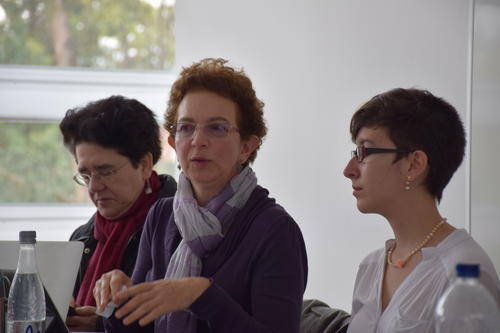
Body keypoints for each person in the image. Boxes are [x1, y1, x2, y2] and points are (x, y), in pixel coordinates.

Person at [92, 58, 308, 333]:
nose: (197, 141)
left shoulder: (275, 230)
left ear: (246, 147)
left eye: (216, 127)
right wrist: (117, 300)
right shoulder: (161, 216)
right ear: (173, 142)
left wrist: (201, 294)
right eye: (186, 127)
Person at [343, 88, 500, 332]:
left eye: (364, 151)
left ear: (414, 164)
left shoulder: (465, 274)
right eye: (355, 152)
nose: (349, 169)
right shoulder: (371, 266)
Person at [59, 95, 177, 332]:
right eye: (86, 175)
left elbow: (180, 321)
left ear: (144, 165)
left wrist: (106, 324)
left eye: (106, 171)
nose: (94, 187)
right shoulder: (82, 238)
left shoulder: (180, 230)